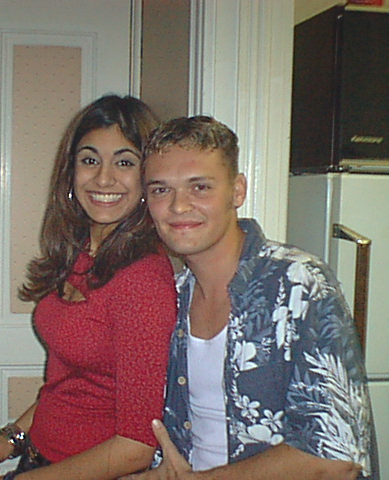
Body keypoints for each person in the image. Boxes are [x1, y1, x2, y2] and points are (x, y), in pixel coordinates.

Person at [122, 115, 379, 480]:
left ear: (237, 191)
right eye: (161, 190)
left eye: (200, 187)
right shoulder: (169, 297)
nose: (178, 206)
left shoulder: (298, 285)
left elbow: (335, 458)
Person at [0, 95, 177, 480]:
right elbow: (68, 381)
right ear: (71, 171)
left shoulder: (143, 280)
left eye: (124, 162)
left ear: (148, 175)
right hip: (42, 459)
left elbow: (136, 446)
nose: (103, 178)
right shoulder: (81, 252)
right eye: (89, 160)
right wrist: (13, 438)